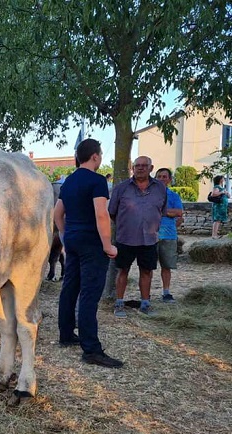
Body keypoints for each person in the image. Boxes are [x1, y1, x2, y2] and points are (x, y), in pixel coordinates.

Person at [54, 139, 122, 368]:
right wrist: (107, 245)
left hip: (73, 240)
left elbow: (57, 214)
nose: (100, 158)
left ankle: (65, 334)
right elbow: (101, 215)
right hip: (92, 243)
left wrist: (65, 235)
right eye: (100, 155)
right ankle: (91, 349)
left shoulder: (69, 180)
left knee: (70, 287)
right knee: (89, 295)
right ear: (94, 156)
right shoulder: (97, 180)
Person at [109, 156, 167, 317]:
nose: (140, 168)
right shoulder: (122, 188)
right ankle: (119, 303)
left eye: (144, 165)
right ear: (132, 168)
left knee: (147, 271)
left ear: (151, 167)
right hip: (125, 238)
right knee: (122, 271)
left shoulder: (160, 189)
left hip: (149, 239)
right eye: (137, 166)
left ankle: (145, 304)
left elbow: (162, 210)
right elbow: (112, 212)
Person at [155, 168, 184, 303]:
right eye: (159, 176)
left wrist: (160, 211)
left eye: (164, 177)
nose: (162, 179)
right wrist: (168, 212)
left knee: (166, 266)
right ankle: (145, 294)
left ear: (169, 180)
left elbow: (179, 212)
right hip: (151, 235)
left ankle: (166, 292)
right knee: (147, 267)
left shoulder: (174, 196)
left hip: (168, 235)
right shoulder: (148, 195)